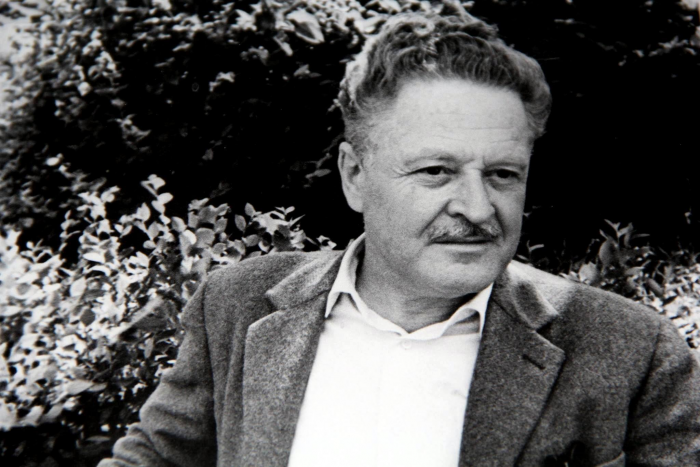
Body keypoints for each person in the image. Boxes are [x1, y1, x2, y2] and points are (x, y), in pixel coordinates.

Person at [99, 7, 700, 467]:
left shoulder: (631, 350)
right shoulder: (238, 305)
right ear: (354, 176)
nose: (477, 208)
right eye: (435, 171)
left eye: (502, 174)